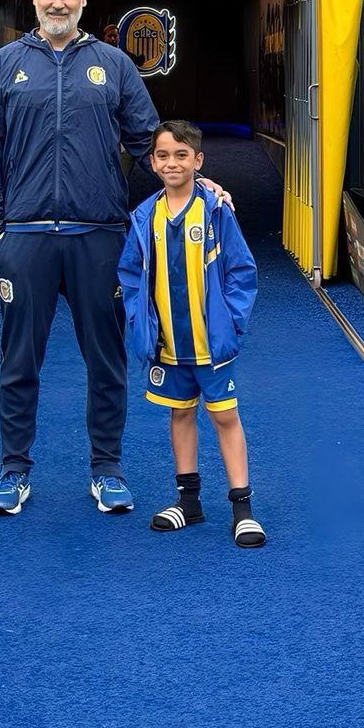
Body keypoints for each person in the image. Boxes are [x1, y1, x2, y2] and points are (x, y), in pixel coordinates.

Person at [0, 0, 159, 517]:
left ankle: (107, 470)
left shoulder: (114, 65)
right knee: (18, 363)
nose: (58, 3)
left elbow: (149, 142)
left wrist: (196, 185)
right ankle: (13, 471)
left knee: (107, 362)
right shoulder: (3, 66)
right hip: (24, 239)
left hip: (98, 238)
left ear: (83, 0)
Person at [117, 120, 266, 547]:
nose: (172, 163)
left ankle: (242, 509)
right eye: (163, 155)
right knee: (180, 414)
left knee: (224, 416)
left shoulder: (216, 210)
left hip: (211, 344)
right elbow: (130, 274)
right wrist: (140, 322)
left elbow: (242, 270)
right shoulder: (145, 217)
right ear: (152, 162)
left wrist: (232, 324)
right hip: (168, 345)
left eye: (182, 155)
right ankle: (189, 502)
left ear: (198, 160)